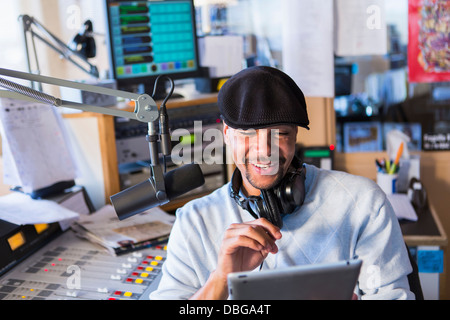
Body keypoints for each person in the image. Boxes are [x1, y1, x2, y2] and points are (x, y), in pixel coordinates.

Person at [150, 66, 414, 300]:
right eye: (247, 134)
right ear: (227, 135)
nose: (264, 150)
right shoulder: (194, 221)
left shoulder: (362, 202)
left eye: (281, 134)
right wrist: (220, 279)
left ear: (295, 136)